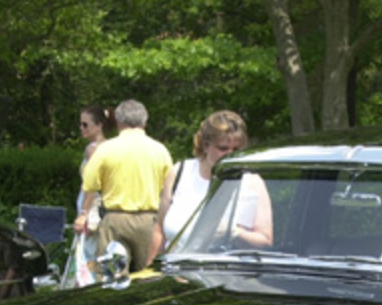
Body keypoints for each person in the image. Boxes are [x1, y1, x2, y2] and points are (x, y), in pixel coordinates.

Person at [75, 99, 173, 272]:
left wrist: (83, 213)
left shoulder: (105, 150)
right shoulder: (160, 150)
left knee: (111, 280)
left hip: (114, 220)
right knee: (148, 278)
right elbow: (168, 192)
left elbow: (90, 185)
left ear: (119, 122)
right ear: (144, 121)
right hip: (148, 221)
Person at [155, 110, 251, 253]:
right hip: (175, 269)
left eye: (236, 149)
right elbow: (159, 231)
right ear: (206, 145)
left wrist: (234, 232)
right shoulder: (179, 172)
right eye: (223, 148)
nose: (230, 154)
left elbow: (264, 241)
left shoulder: (249, 181)